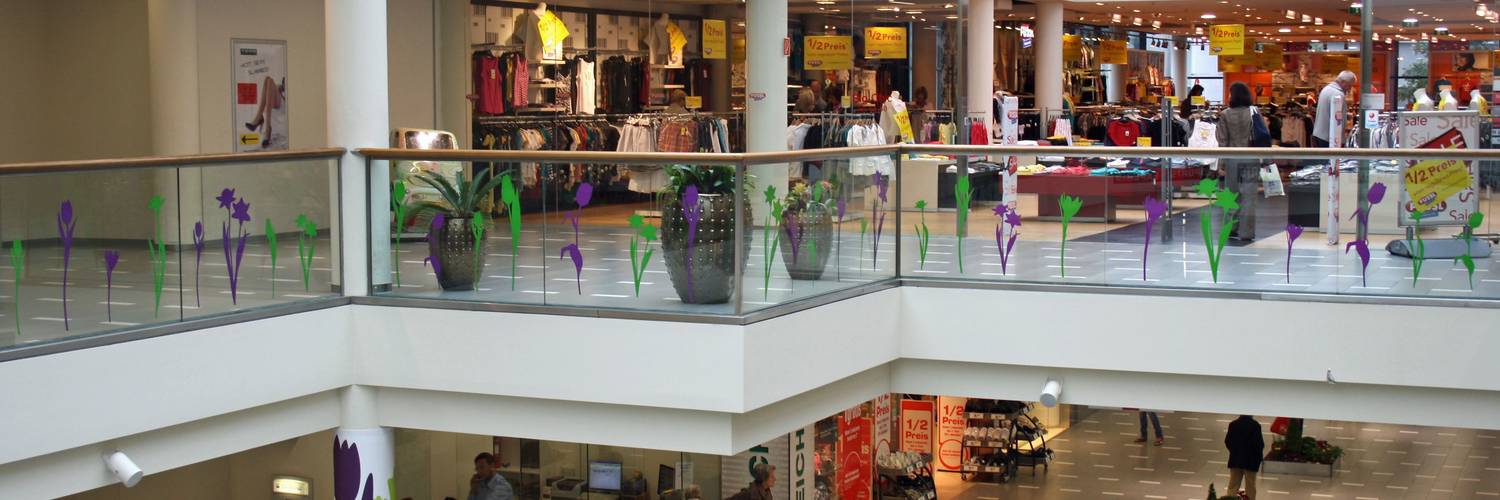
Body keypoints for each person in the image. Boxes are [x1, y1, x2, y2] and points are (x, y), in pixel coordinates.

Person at [1215, 82, 1262, 241]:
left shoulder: (1225, 115)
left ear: (1233, 95)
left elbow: (1222, 141)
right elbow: (1263, 135)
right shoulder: (1254, 111)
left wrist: (1221, 164)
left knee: (1231, 194)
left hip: (1232, 158)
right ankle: (1247, 232)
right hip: (1251, 158)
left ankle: (1230, 228)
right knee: (1249, 197)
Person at [1312, 71, 1356, 148]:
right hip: (1329, 137)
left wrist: (1346, 115)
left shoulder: (1326, 89)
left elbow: (1329, 111)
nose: (1350, 89)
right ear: (1343, 82)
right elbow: (1338, 120)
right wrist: (1341, 140)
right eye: (1349, 85)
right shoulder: (1338, 94)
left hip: (1319, 134)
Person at [1225, 415, 1265, 500]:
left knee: (1233, 485)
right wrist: (1259, 458)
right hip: (1251, 462)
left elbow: (1227, 441)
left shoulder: (1233, 424)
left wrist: (1234, 451)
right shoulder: (1255, 425)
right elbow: (1259, 444)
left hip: (1235, 460)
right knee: (1250, 486)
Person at [243, 75, 285, 148]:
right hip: (277, 100)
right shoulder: (279, 87)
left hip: (283, 103)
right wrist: (279, 88)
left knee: (269, 81)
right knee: (267, 79)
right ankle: (265, 125)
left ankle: (260, 121)